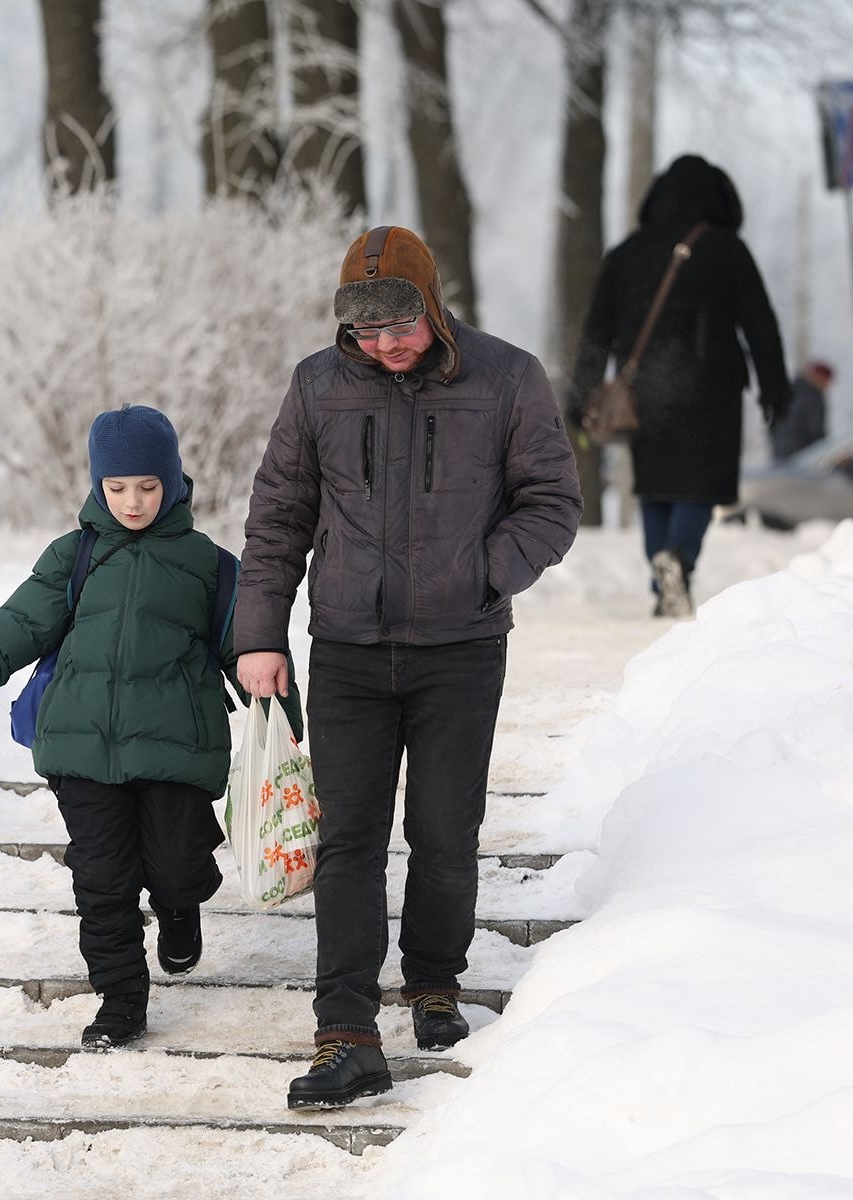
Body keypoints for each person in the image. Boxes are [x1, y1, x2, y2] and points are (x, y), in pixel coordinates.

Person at [235, 225, 582, 1109]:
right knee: (347, 841)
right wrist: (259, 633)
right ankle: (345, 1032)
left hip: (461, 651)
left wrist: (481, 576)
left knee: (443, 831)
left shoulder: (506, 378)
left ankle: (433, 980)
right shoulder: (319, 384)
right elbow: (279, 512)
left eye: (400, 326)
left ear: (433, 308)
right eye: (365, 331)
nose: (384, 346)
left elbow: (552, 503)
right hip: (347, 646)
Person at [0, 405, 298, 1050]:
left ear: (173, 482)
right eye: (116, 488)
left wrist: (285, 722)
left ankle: (181, 907)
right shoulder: (74, 556)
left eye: (147, 486)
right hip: (81, 745)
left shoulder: (208, 564)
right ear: (97, 487)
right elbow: (16, 626)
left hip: (178, 745)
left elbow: (249, 648)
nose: (132, 502)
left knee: (178, 864)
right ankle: (121, 998)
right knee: (102, 879)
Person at [568, 154, 791, 618]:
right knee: (700, 485)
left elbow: (596, 330)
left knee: (656, 485)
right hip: (712, 389)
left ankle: (662, 578)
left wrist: (582, 390)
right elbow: (760, 324)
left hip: (645, 391)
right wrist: (775, 386)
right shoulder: (727, 249)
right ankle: (678, 560)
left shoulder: (626, 253)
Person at [770, 360, 833, 462]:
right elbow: (814, 430)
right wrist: (824, 452)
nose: (827, 386)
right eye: (826, 381)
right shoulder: (812, 398)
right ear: (817, 377)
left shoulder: (789, 391)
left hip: (782, 454)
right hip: (804, 456)